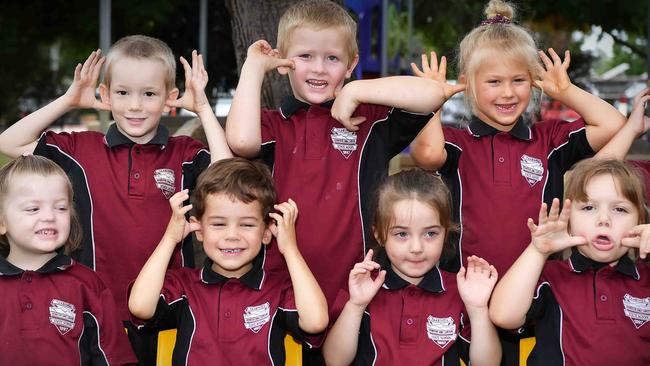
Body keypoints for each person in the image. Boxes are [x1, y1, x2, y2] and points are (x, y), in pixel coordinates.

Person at [225, 0, 462, 310]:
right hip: (283, 289)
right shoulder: (272, 124)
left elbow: (434, 93)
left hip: (362, 287)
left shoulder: (371, 120)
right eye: (305, 56)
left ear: (351, 64)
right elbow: (241, 141)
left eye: (333, 58)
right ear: (283, 61)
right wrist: (253, 68)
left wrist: (355, 91)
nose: (319, 68)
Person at [0, 35, 232, 323]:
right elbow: (9, 143)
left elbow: (229, 178)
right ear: (105, 95)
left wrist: (203, 108)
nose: (135, 105)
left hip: (167, 308)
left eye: (148, 94)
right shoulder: (81, 149)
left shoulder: (185, 153)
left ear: (169, 98)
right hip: (95, 310)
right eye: (123, 93)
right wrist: (68, 100)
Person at [128, 157, 328, 365]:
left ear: (267, 232)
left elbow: (316, 322)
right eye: (218, 224)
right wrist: (170, 239)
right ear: (199, 228)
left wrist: (290, 249)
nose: (232, 235)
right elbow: (140, 306)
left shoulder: (279, 289)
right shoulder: (184, 286)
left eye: (247, 225)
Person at [322, 168, 501, 366]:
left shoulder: (461, 290)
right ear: (380, 235)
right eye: (402, 234)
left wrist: (477, 309)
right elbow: (334, 361)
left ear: (446, 233)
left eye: (430, 234)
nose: (416, 248)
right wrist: (355, 306)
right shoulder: (362, 286)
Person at [489, 158, 650, 365]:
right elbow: (503, 315)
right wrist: (537, 251)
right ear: (570, 222)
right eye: (589, 208)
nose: (604, 219)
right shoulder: (551, 276)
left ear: (640, 222)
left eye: (619, 209)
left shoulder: (646, 280)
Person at [0, 155, 136, 365]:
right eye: (33, 209)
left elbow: (113, 358)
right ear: (2, 222)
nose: (49, 216)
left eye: (61, 208)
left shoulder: (86, 284)